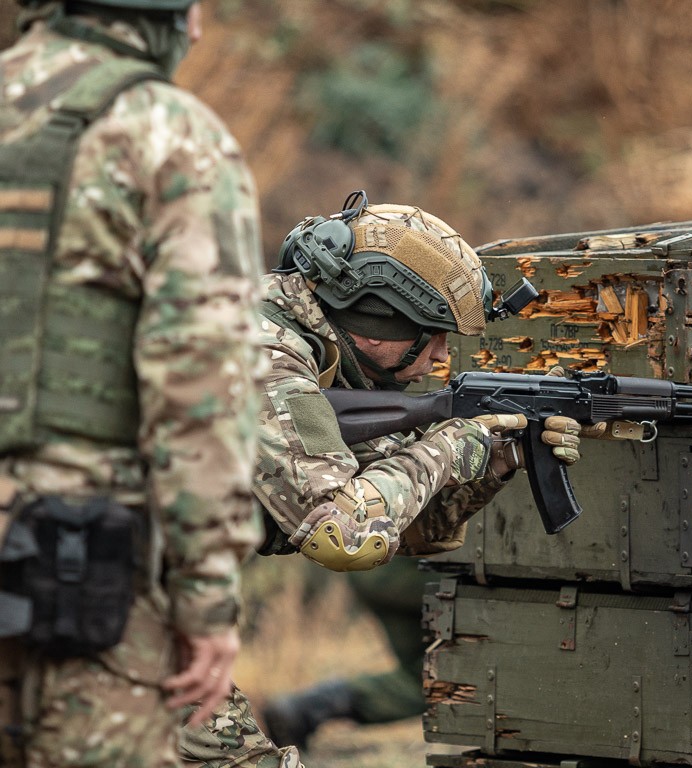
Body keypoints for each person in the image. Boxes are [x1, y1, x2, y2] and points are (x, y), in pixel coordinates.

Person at [178, 198, 587, 767]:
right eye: (430, 334)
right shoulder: (263, 358)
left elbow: (411, 528)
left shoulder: (311, 356)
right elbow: (345, 536)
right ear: (374, 315)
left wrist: (495, 461)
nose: (441, 356)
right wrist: (448, 447)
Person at [0, 1, 263, 766]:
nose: (202, 27)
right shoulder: (171, 135)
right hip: (81, 570)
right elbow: (201, 388)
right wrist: (207, 599)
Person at [261, 557, 433, 752]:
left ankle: (303, 710)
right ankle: (309, 708)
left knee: (431, 675)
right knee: (443, 677)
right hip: (406, 568)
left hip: (370, 563)